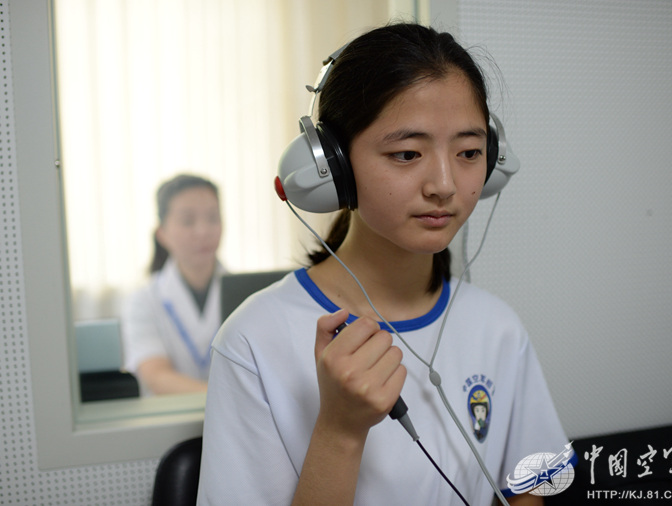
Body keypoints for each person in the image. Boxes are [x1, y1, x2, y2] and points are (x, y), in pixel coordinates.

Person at [198, 23, 571, 505]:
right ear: (333, 169)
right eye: (407, 153)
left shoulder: (497, 327)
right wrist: (341, 430)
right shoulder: (252, 341)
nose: (444, 184)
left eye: (469, 152)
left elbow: (530, 491)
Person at [120, 174, 224, 395]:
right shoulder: (144, 300)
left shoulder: (248, 293)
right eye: (188, 221)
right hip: (170, 424)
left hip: (236, 423)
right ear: (162, 234)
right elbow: (156, 377)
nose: (203, 231)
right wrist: (224, 398)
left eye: (213, 217)